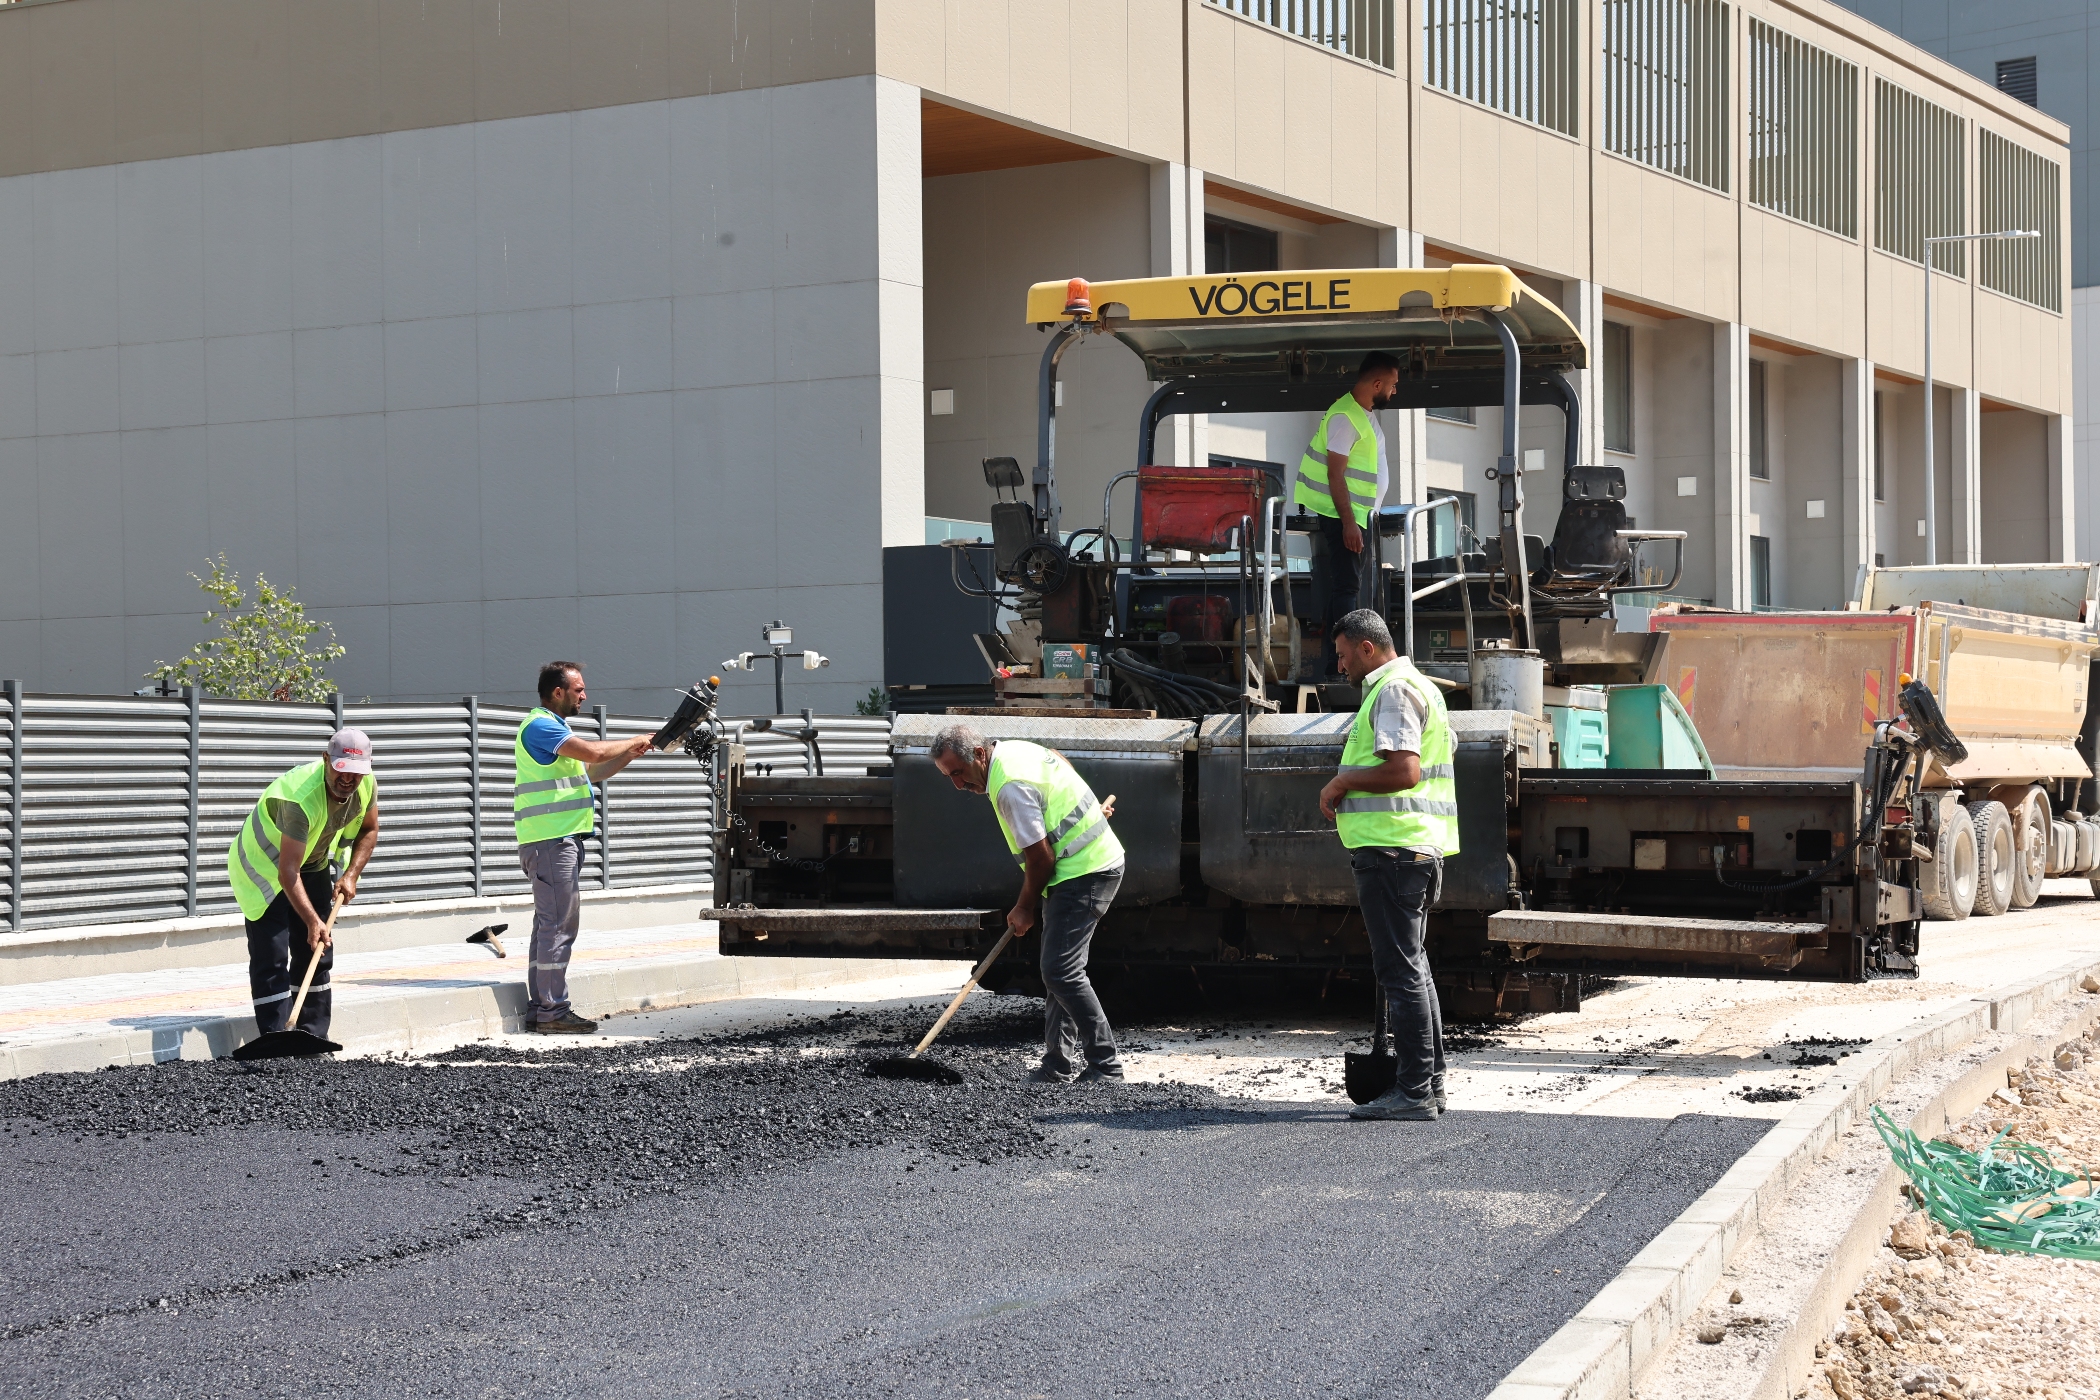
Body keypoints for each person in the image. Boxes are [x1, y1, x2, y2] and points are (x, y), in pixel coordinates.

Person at [1316, 609, 1460, 1121]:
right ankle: (1430, 1084)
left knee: (1400, 971)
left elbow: (1403, 771)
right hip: (1412, 850)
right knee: (1413, 968)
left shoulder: (1393, 690)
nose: (1340, 665)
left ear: (1367, 648)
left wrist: (1341, 781)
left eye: (1342, 654)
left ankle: (1415, 1091)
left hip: (1393, 851)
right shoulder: (1421, 686)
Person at [929, 722, 1126, 1082]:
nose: (958, 784)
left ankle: (1106, 1066)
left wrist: (1023, 907)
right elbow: (1057, 760)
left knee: (1059, 970)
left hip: (1085, 871)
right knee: (1058, 970)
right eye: (948, 777)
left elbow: (1041, 859)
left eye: (958, 773)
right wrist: (1082, 805)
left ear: (978, 754)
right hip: (1078, 869)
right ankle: (1056, 1066)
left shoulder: (1008, 787)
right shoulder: (1013, 750)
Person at [514, 661, 655, 1033]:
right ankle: (552, 1011)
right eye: (579, 690)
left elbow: (591, 772)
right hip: (551, 841)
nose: (584, 696)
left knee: (549, 926)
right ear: (557, 692)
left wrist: (627, 755)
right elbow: (593, 754)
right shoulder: (540, 725)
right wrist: (633, 739)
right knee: (559, 927)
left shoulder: (555, 730)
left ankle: (542, 1006)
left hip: (556, 840)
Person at [227, 729, 381, 1042]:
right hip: (264, 868)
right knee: (271, 954)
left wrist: (351, 873)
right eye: (341, 770)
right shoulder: (300, 800)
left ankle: (312, 1035)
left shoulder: (366, 786)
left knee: (316, 951)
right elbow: (287, 873)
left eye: (357, 773)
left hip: (311, 863)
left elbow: (369, 828)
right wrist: (313, 921)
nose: (349, 780)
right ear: (327, 760)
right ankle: (276, 1038)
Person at [1292, 351, 1403, 680]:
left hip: (1356, 517)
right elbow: (1335, 475)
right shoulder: (1344, 417)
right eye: (1393, 385)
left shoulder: (1361, 413)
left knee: (1345, 587)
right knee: (1345, 589)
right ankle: (1340, 667)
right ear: (1377, 383)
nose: (1394, 391)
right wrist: (1350, 524)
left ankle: (1338, 663)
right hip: (1345, 518)